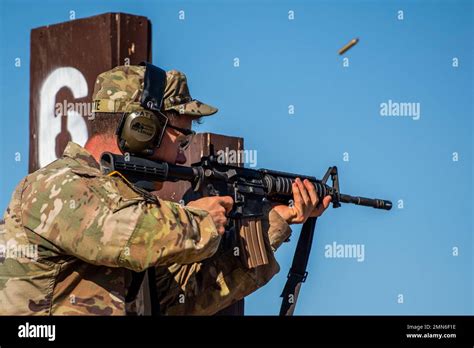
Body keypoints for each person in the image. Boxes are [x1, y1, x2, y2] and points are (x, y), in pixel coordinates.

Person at [0, 63, 331, 315]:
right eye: (181, 139)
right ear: (141, 129)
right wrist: (202, 220)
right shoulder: (55, 187)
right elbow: (131, 234)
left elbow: (183, 301)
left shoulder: (130, 207)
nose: (184, 154)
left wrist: (272, 223)